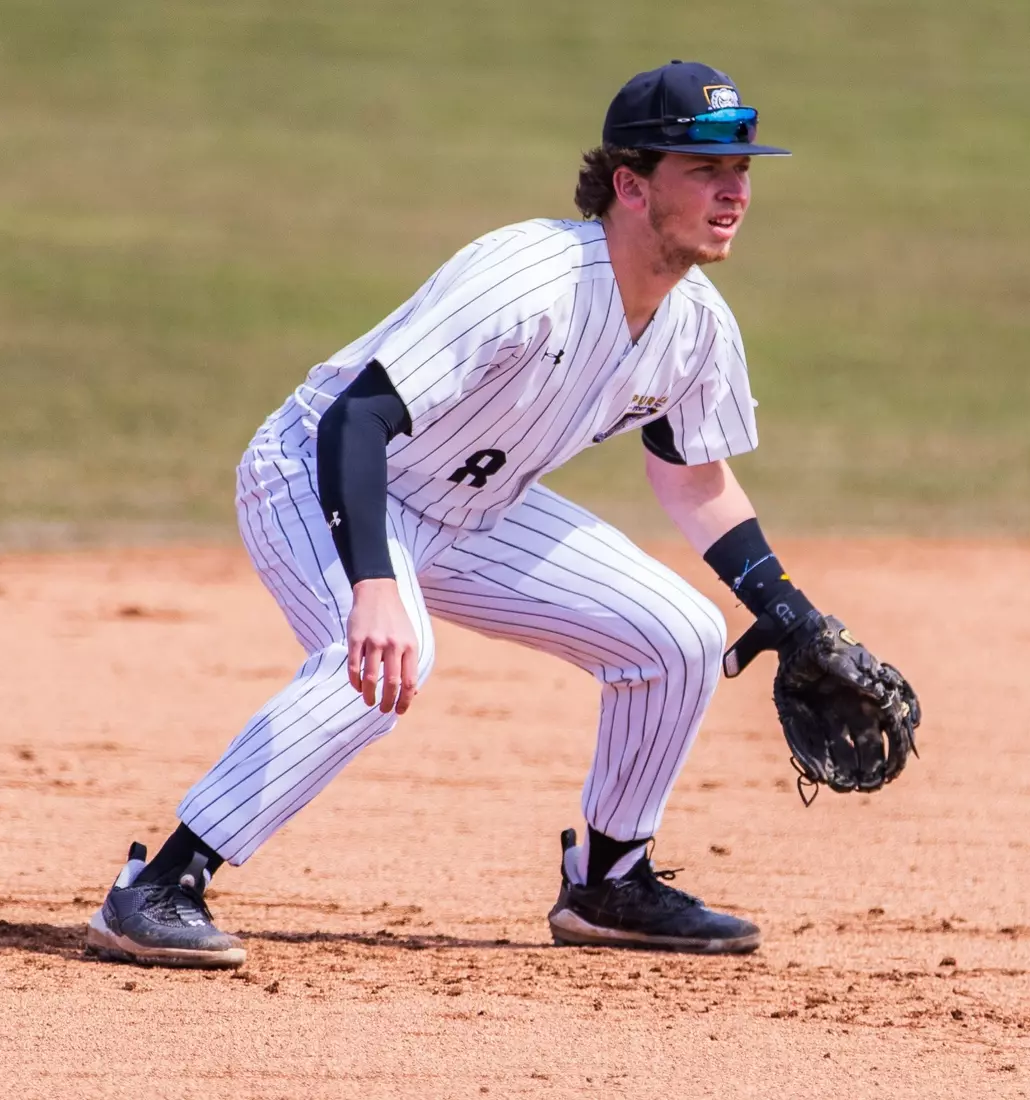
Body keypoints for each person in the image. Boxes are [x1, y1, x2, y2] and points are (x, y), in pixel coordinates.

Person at [85, 60, 840, 966]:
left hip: (475, 507)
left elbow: (694, 480)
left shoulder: (698, 324)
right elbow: (355, 419)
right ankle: (159, 884)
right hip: (317, 475)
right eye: (705, 169)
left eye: (744, 170)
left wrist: (790, 616)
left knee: (676, 634)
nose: (734, 190)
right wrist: (371, 585)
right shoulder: (528, 278)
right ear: (631, 186)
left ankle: (611, 881)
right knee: (379, 658)